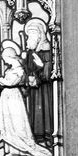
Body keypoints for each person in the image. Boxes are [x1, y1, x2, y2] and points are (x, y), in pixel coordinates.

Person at [0, 39, 52, 156]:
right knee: (8, 125)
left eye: (5, 58)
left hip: (13, 97)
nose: (4, 61)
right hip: (7, 97)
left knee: (18, 125)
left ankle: (30, 151)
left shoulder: (19, 70)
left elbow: (10, 83)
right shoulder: (11, 69)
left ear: (10, 57)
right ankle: (14, 151)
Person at [24, 17, 53, 146]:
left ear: (40, 35)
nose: (29, 39)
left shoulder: (47, 50)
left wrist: (41, 66)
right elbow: (27, 69)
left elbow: (48, 73)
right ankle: (37, 136)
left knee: (45, 110)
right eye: (28, 36)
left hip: (44, 89)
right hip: (34, 89)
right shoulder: (30, 52)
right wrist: (28, 77)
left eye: (32, 35)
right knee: (34, 112)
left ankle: (48, 136)